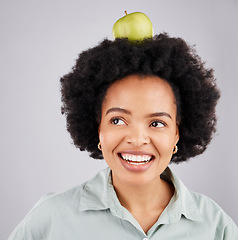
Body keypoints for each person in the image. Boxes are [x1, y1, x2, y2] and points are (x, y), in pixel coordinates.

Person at [8, 34, 238, 239]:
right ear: (98, 128)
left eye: (157, 123)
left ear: (177, 133)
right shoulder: (52, 219)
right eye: (118, 120)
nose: (137, 139)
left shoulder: (215, 226)